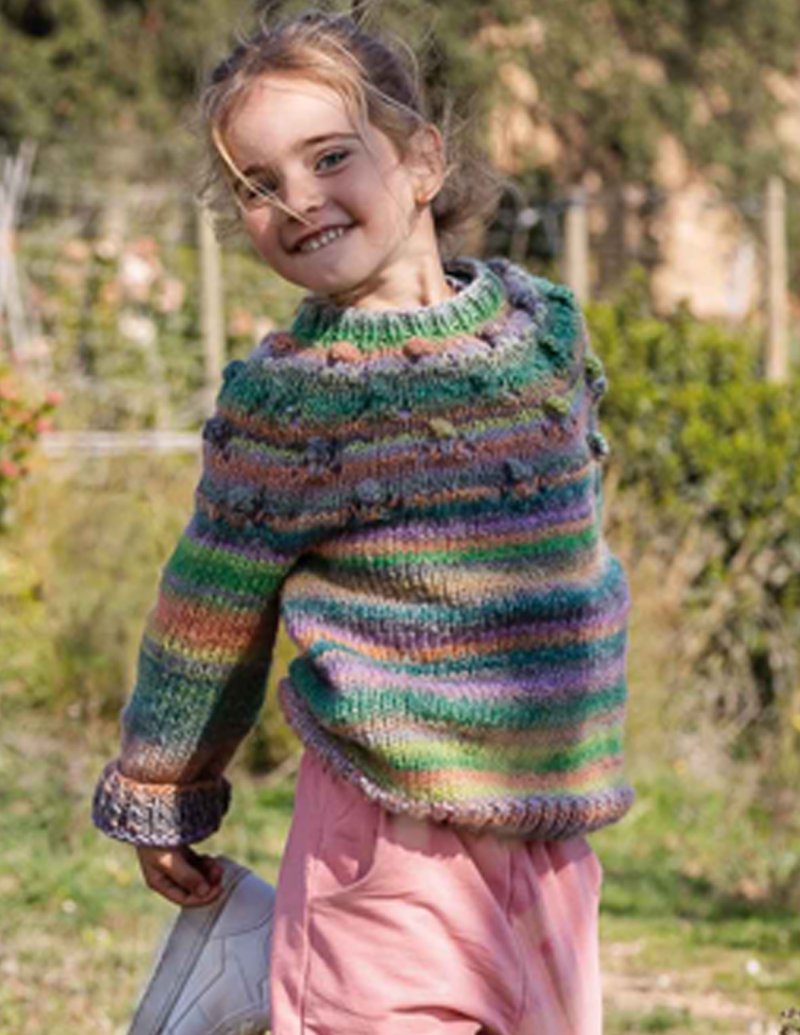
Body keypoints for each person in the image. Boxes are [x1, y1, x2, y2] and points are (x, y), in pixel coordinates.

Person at [92, 8, 634, 1034]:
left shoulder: (543, 335)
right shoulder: (291, 405)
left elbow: (575, 543)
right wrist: (163, 785)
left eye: (329, 156)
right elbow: (209, 617)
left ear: (421, 160)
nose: (296, 198)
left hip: (549, 834)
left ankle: (255, 955)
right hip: (385, 838)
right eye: (257, 184)